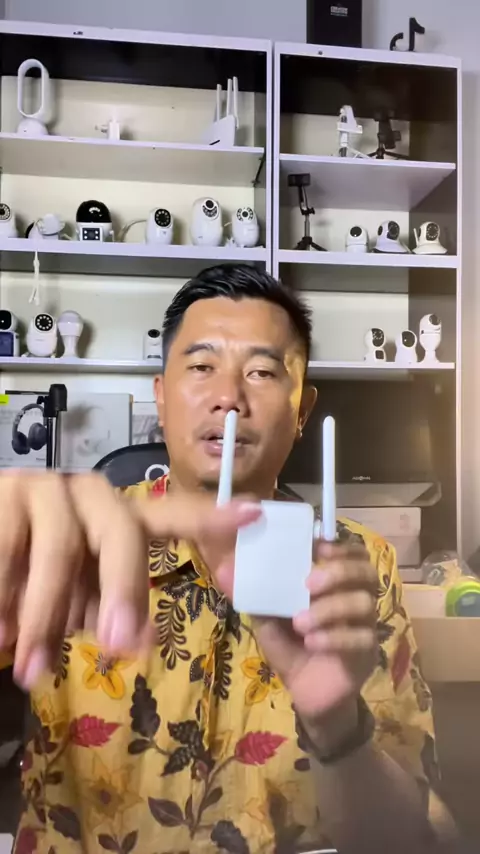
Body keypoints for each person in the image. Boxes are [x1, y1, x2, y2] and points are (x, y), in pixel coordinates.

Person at [0, 265, 450, 854]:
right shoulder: (76, 545)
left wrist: (338, 726)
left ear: (303, 410)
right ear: (161, 397)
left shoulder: (357, 567)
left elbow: (413, 837)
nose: (229, 398)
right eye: (201, 366)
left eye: (262, 371)